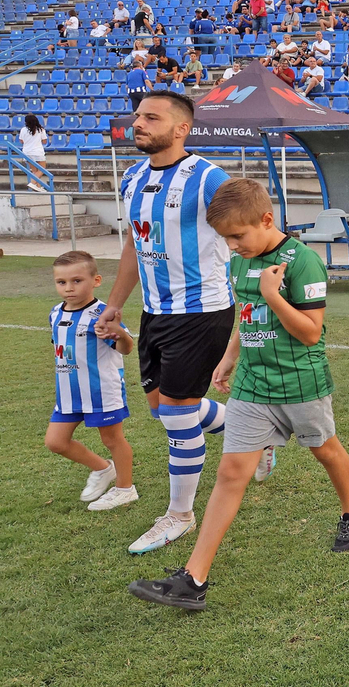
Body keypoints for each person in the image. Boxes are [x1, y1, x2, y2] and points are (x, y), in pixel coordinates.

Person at [127, 179, 349, 610]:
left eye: (237, 236)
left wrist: (272, 296)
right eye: (225, 239)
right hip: (252, 384)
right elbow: (247, 314)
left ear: (266, 220)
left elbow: (310, 333)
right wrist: (229, 356)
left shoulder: (303, 261)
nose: (232, 246)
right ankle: (193, 579)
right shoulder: (240, 263)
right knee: (230, 474)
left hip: (301, 383)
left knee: (326, 451)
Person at [95, 92, 264, 555]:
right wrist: (115, 304)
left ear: (181, 128)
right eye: (138, 116)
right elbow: (134, 247)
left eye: (152, 117)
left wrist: (261, 291)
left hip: (202, 311)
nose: (138, 123)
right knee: (161, 407)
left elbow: (252, 231)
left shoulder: (209, 178)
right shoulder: (132, 178)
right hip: (156, 313)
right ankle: (257, 436)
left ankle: (179, 515)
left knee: (175, 413)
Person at [45, 250, 139, 511]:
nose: (69, 288)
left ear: (96, 280)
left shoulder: (102, 314)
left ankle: (125, 489)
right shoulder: (55, 313)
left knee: (112, 440)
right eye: (61, 282)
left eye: (77, 281)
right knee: (55, 442)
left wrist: (119, 333)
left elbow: (127, 349)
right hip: (69, 393)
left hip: (101, 390)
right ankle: (102, 468)